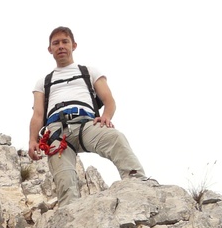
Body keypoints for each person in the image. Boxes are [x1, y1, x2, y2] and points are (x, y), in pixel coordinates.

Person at [28, 26, 149, 207]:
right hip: (56, 132)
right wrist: (32, 140)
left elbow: (109, 100)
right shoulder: (43, 82)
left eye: (65, 42)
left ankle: (138, 183)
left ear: (74, 45)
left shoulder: (89, 72)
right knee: (64, 180)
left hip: (86, 124)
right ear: (50, 49)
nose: (61, 46)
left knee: (115, 138)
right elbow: (38, 114)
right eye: (56, 43)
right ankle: (69, 218)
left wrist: (106, 116)